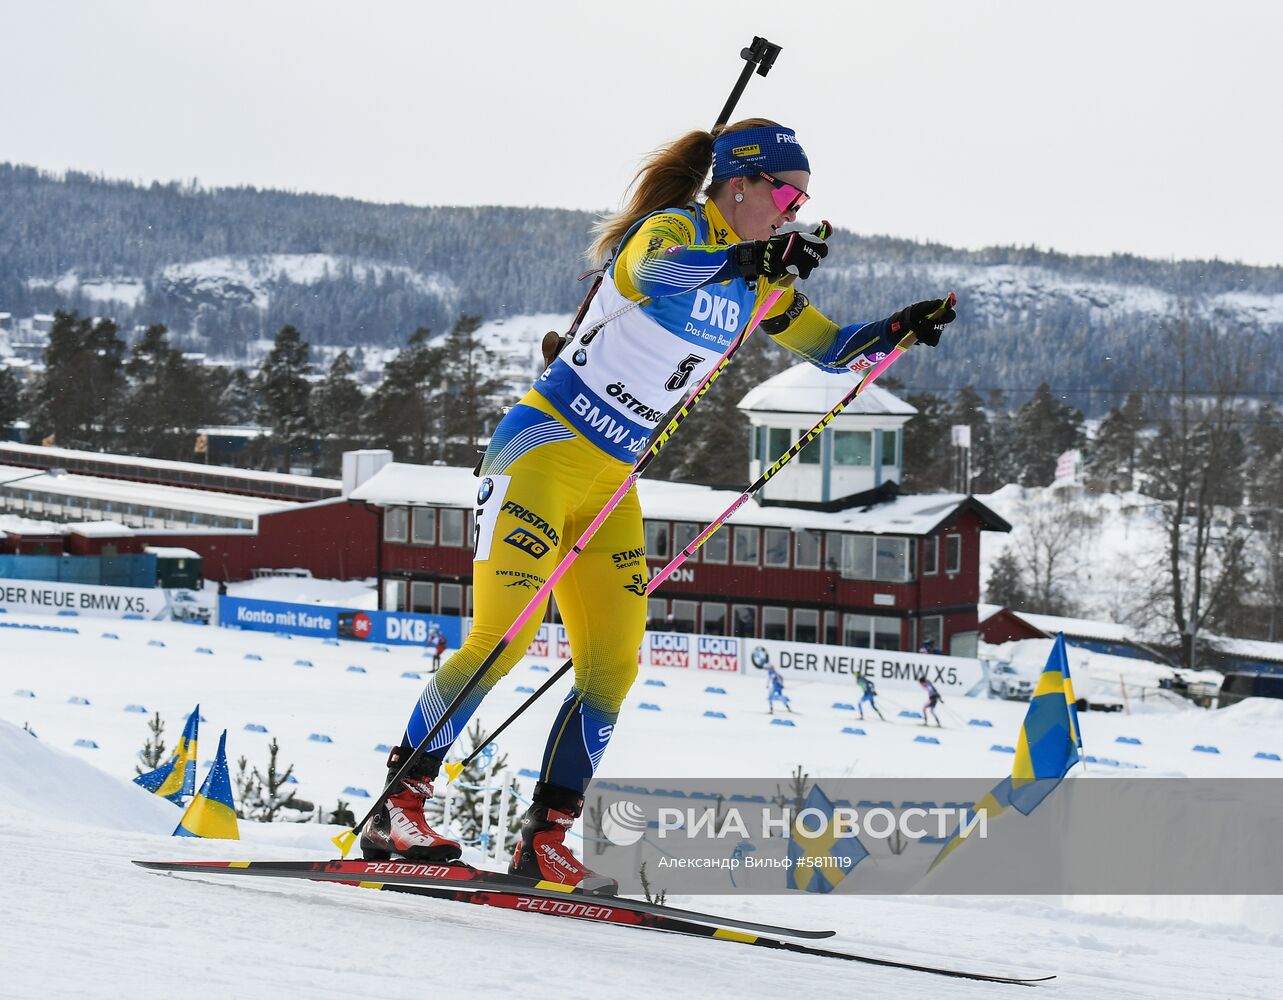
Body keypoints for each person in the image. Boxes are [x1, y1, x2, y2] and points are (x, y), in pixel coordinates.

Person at [360, 118, 957, 890]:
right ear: (738, 184)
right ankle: (398, 806)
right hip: (542, 449)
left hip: (611, 482)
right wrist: (741, 257)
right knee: (501, 639)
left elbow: (833, 349)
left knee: (612, 666)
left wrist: (899, 327)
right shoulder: (674, 229)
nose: (792, 213)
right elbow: (652, 273)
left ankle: (545, 836)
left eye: (802, 204)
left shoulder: (760, 282)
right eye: (786, 196)